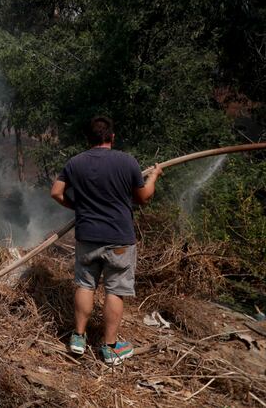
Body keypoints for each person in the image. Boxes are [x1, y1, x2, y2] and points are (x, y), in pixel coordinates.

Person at [50, 116, 163, 366]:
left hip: (87, 236)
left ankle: (78, 338)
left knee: (85, 285)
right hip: (119, 240)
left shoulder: (75, 163)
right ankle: (110, 348)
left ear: (88, 139)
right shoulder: (127, 161)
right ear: (112, 137)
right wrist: (154, 176)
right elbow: (143, 197)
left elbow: (56, 192)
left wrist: (76, 206)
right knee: (115, 290)